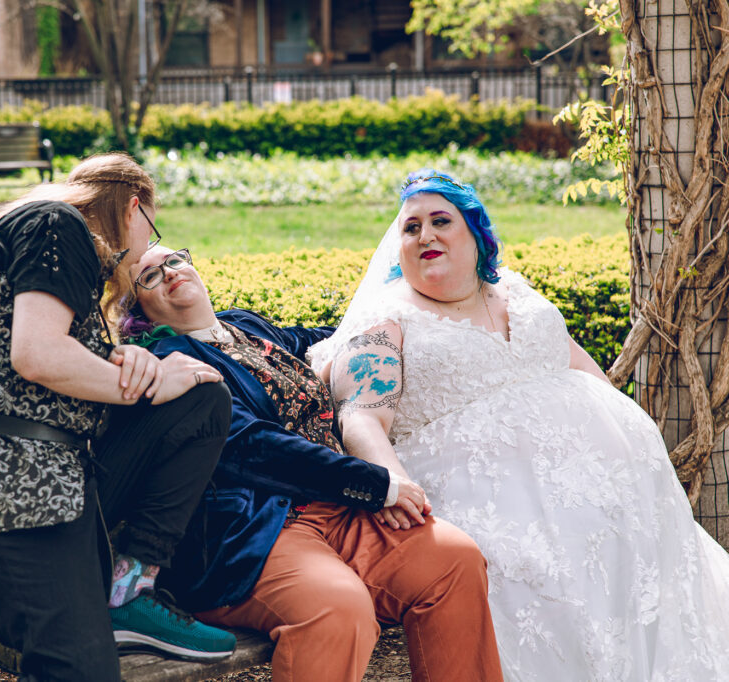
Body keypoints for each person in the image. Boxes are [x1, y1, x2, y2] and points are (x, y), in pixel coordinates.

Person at [308, 168, 729, 680]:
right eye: (411, 228)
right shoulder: (386, 320)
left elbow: (572, 362)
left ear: (476, 233)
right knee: (548, 572)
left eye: (441, 220)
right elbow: (362, 418)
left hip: (611, 486)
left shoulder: (513, 289)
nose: (426, 235)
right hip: (487, 496)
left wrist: (626, 429)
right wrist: (391, 479)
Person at [0, 154, 236, 682]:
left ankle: (128, 588)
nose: (142, 252)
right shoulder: (58, 223)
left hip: (52, 477)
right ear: (134, 208)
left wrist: (133, 364)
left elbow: (45, 367)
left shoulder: (57, 241)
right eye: (151, 231)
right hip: (4, 484)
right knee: (79, 671)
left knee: (200, 398)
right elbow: (37, 355)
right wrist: (152, 382)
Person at [121, 246, 504, 682]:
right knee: (338, 607)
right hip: (260, 530)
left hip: (340, 511)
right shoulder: (171, 360)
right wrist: (373, 482)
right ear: (140, 308)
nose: (169, 273)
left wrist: (402, 312)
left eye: (174, 260)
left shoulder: (243, 326)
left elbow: (328, 338)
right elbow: (250, 446)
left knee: (454, 561)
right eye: (148, 277)